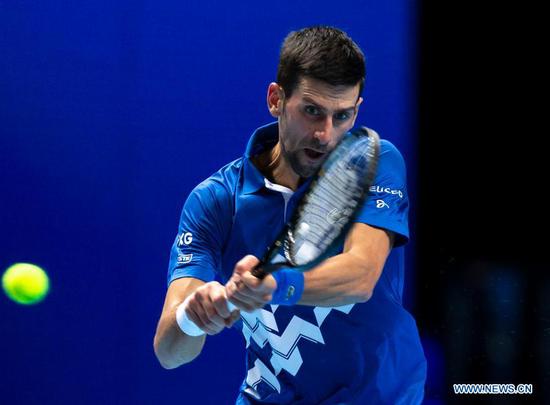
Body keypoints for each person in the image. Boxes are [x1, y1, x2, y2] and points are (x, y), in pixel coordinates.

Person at [154, 26, 427, 404]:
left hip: (378, 395)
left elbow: (361, 276)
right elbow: (169, 352)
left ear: (357, 110)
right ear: (276, 99)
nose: (325, 134)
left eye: (342, 115)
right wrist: (193, 315)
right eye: (312, 111)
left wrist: (275, 286)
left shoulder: (373, 161)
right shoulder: (215, 202)